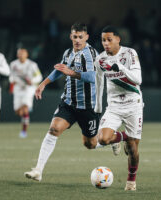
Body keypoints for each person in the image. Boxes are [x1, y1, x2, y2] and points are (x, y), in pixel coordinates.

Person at [24, 22, 117, 182]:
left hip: (88, 107)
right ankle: (38, 170)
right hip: (68, 103)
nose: (78, 40)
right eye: (75, 36)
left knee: (90, 144)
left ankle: (113, 139)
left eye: (81, 37)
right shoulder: (68, 53)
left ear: (86, 37)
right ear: (71, 36)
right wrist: (43, 84)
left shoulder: (92, 54)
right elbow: (60, 69)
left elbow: (93, 77)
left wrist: (72, 73)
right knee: (53, 129)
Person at [95, 25, 143, 191]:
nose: (106, 43)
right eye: (103, 40)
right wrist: (98, 107)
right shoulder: (100, 60)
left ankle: (131, 181)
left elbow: (138, 80)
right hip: (114, 105)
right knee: (102, 139)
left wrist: (120, 67)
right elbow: (99, 83)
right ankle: (122, 137)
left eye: (109, 39)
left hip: (133, 104)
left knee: (133, 149)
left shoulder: (130, 54)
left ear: (118, 39)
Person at [9, 48, 43, 138]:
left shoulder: (32, 65)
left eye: (23, 54)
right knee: (18, 111)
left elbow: (39, 76)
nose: (21, 55)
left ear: (27, 55)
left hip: (29, 88)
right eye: (19, 54)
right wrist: (13, 81)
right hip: (18, 88)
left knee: (25, 109)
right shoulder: (13, 64)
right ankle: (26, 110)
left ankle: (24, 131)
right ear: (17, 55)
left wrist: (32, 81)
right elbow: (11, 77)